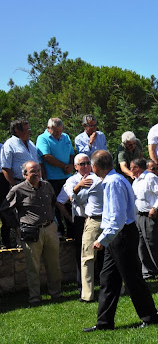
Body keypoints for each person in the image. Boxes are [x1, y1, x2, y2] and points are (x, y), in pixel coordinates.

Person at [83, 150, 158, 332]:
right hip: (117, 235)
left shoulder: (113, 183)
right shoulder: (115, 180)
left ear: (95, 167)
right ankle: (104, 323)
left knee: (132, 278)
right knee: (108, 279)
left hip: (121, 235)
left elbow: (117, 218)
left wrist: (103, 239)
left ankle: (150, 318)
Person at [0, 161, 61, 306]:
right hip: (31, 232)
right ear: (25, 174)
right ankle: (35, 297)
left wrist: (51, 218)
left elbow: (53, 202)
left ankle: (56, 293)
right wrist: (17, 226)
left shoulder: (47, 186)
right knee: (33, 267)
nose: (37, 174)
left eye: (38, 170)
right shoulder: (18, 190)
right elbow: (4, 209)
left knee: (54, 264)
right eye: (33, 171)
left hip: (50, 229)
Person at [58, 153, 104, 302]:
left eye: (87, 163)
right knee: (82, 254)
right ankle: (82, 287)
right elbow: (61, 201)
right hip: (80, 220)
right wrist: (69, 218)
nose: (85, 166)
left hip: (98, 219)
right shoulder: (71, 180)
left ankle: (103, 284)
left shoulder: (97, 178)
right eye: (82, 164)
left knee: (102, 253)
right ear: (75, 167)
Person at [131, 158, 158, 280]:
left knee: (154, 244)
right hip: (139, 216)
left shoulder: (150, 178)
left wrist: (155, 208)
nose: (130, 170)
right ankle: (148, 272)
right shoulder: (136, 181)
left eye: (131, 167)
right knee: (141, 246)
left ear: (137, 168)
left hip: (150, 216)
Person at [1, 118, 39, 249]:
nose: (30, 131)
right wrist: (14, 184)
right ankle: (22, 243)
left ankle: (37, 240)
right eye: (27, 129)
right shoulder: (9, 144)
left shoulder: (31, 143)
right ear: (17, 130)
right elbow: (5, 168)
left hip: (35, 184)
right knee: (20, 215)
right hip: (20, 184)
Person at [36, 118, 75, 236]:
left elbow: (72, 153)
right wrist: (64, 166)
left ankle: (72, 231)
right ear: (49, 128)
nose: (59, 134)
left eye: (60, 131)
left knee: (69, 204)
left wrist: (71, 165)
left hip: (67, 177)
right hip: (52, 178)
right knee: (55, 206)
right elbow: (46, 156)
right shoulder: (42, 138)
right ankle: (59, 231)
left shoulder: (65, 137)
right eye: (56, 131)